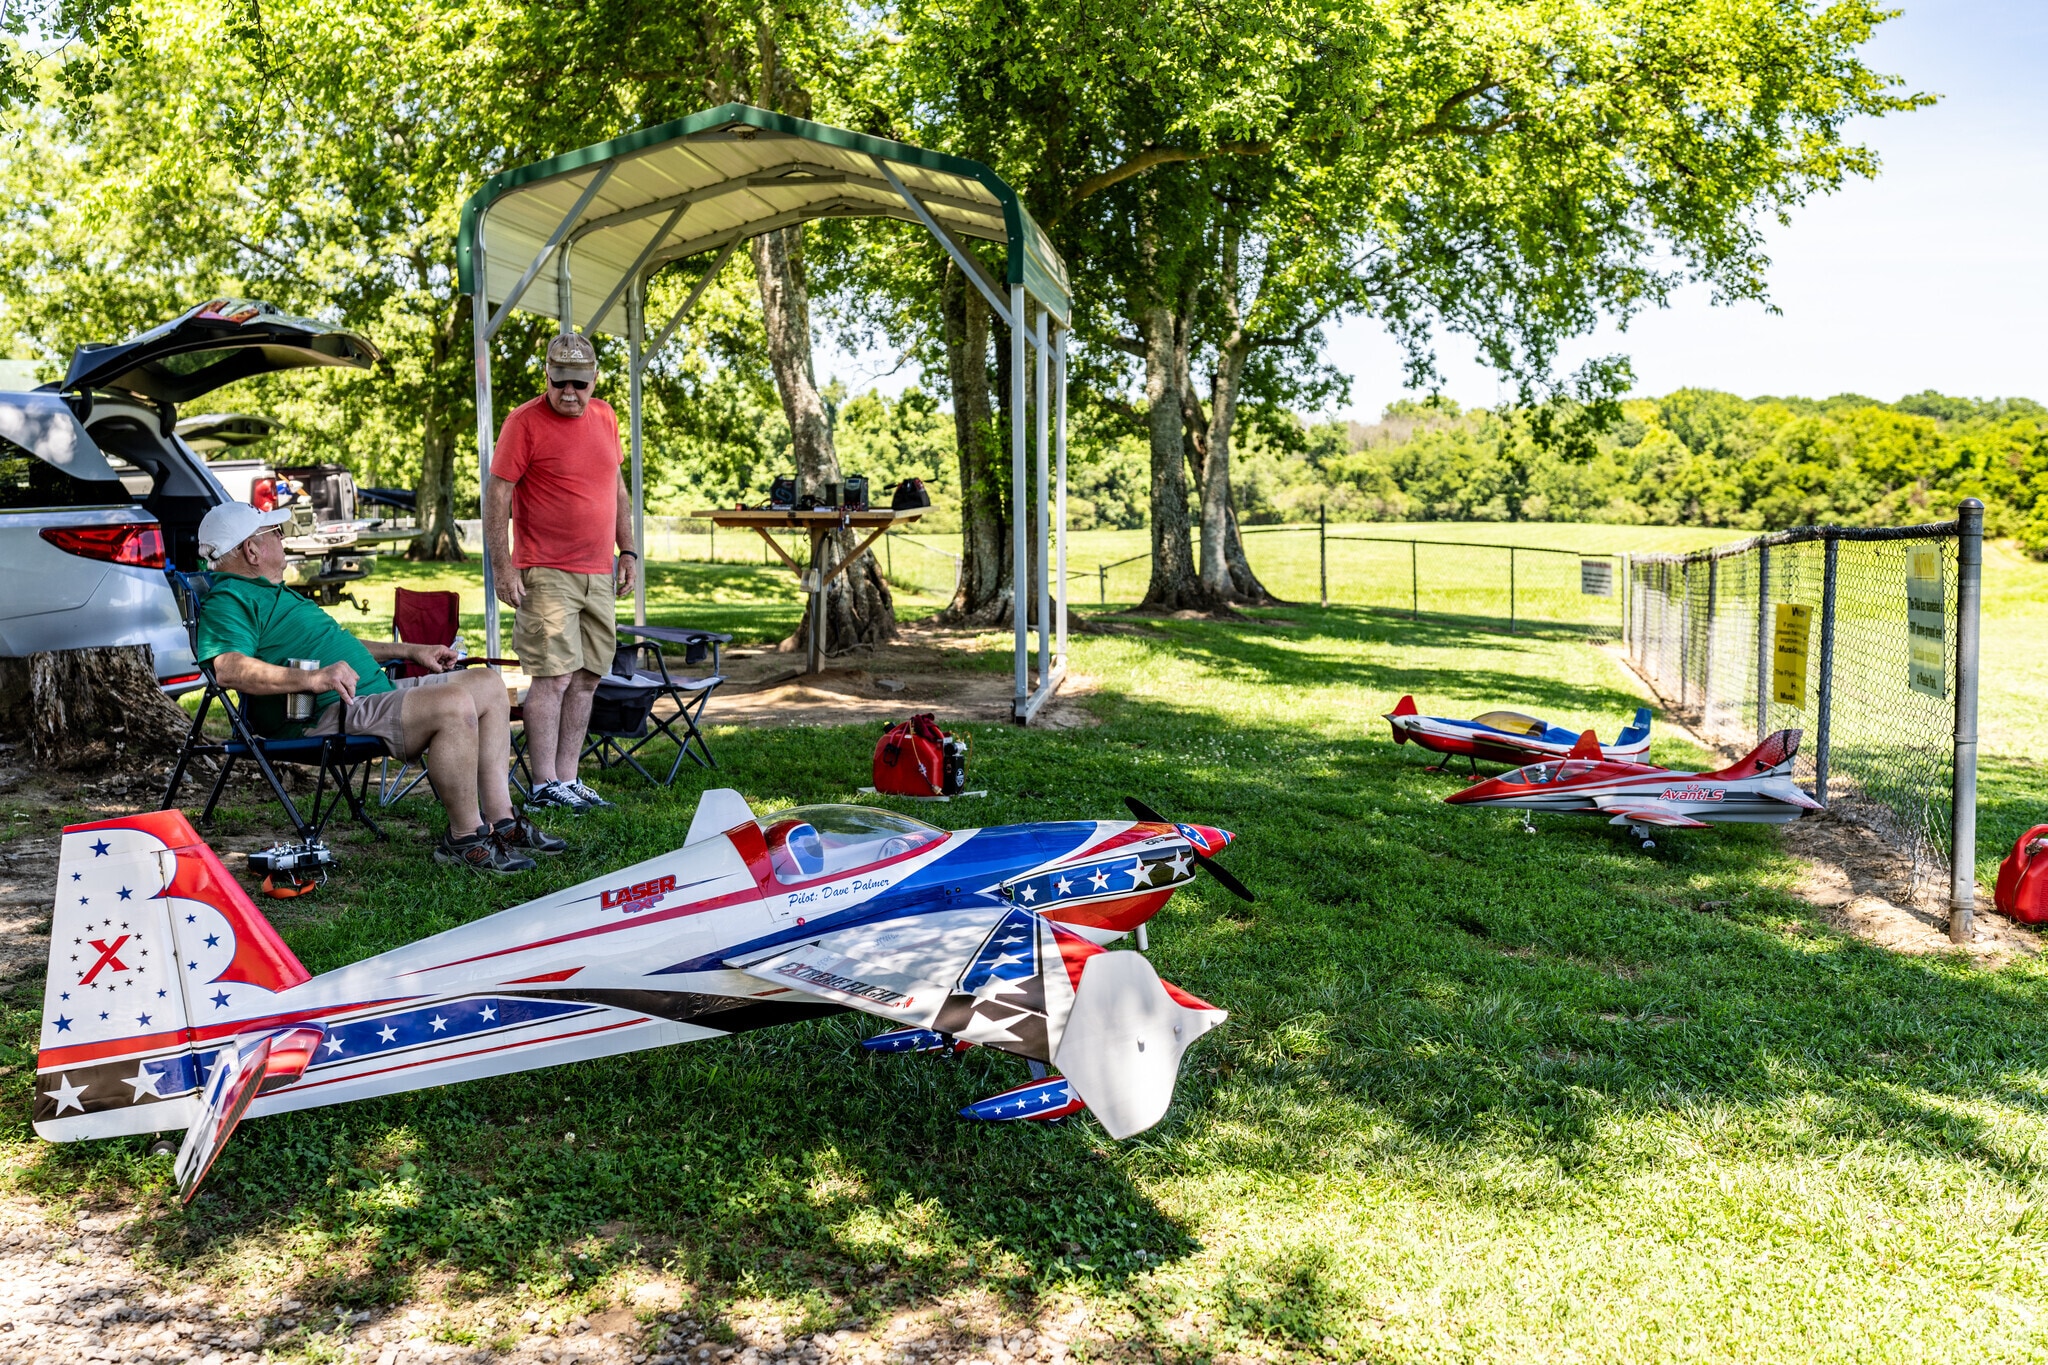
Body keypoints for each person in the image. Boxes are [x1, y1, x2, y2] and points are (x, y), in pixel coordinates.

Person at [194, 501, 564, 874]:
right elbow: (228, 669)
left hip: (370, 693)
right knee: (454, 702)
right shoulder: (229, 599)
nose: (282, 538)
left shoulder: (274, 592)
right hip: (327, 713)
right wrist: (313, 678)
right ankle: (466, 837)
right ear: (251, 550)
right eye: (273, 533)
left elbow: (344, 647)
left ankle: (502, 822)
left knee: (487, 683)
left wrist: (411, 650)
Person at [483, 331, 636, 814]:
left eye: (579, 384)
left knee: (589, 676)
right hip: (546, 571)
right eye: (559, 382)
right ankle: (544, 782)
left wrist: (627, 551)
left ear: (593, 379)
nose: (569, 393)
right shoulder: (524, 422)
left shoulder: (607, 416)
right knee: (552, 677)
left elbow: (616, 488)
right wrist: (503, 567)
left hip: (599, 570)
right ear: (546, 376)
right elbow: (497, 496)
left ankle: (568, 779)